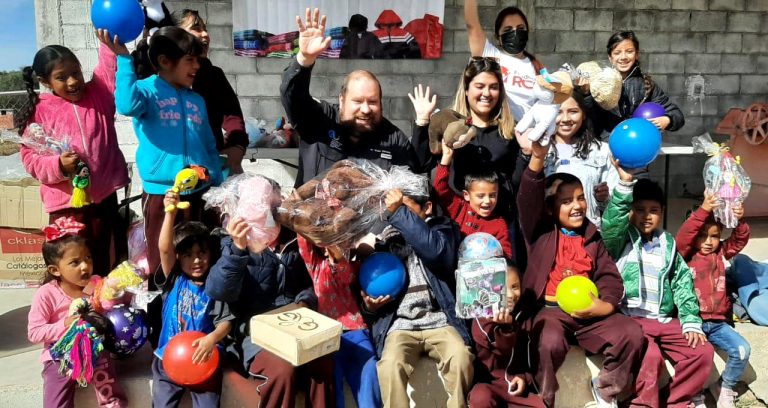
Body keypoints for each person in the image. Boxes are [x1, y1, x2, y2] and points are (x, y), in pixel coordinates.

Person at [516, 141, 644, 408]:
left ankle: (607, 389)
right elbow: (528, 198)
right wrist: (537, 159)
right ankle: (545, 398)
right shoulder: (540, 232)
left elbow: (609, 277)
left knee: (631, 332)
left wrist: (605, 305)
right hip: (551, 312)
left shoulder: (592, 236)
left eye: (580, 198)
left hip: (590, 314)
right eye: (566, 201)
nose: (576, 206)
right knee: (548, 341)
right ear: (550, 208)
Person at [108, 26, 223, 277]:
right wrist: (124, 59)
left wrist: (218, 182)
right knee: (163, 261)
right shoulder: (146, 92)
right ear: (165, 61)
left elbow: (209, 145)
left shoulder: (197, 101)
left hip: (199, 194)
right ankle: (163, 312)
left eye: (198, 60)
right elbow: (126, 104)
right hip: (163, 196)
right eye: (190, 60)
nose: (197, 66)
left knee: (199, 259)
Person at [18, 31, 130, 275]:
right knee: (70, 267)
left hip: (104, 200)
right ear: (45, 82)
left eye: (75, 73)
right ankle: (69, 310)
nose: (72, 81)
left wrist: (108, 43)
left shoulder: (98, 94)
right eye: (61, 77)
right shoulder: (40, 112)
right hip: (66, 207)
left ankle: (102, 309)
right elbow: (30, 159)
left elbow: (107, 68)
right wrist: (58, 165)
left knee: (105, 262)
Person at [601, 165, 714, 408]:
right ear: (630, 212)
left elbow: (683, 283)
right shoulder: (620, 240)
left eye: (653, 211)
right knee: (650, 357)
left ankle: (676, 401)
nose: (646, 216)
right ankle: (643, 404)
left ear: (662, 212)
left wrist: (691, 320)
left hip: (662, 320)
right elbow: (611, 224)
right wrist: (624, 185)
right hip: (631, 320)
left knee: (701, 352)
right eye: (639, 210)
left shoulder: (668, 244)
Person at [281, 8, 421, 186]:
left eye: (372, 102)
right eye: (357, 101)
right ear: (341, 100)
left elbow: (412, 182)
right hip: (314, 212)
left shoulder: (394, 139)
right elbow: (293, 97)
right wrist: (305, 59)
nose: (365, 109)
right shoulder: (319, 119)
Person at [205, 216, 335, 408]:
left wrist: (304, 303)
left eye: (271, 213)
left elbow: (308, 284)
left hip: (295, 325)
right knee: (282, 369)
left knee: (321, 359)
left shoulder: (293, 241)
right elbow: (218, 289)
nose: (265, 219)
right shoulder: (232, 243)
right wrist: (237, 250)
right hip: (255, 334)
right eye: (257, 214)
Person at [365, 189, 474, 408]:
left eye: (405, 208)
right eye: (395, 208)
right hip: (401, 325)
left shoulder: (444, 229)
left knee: (460, 357)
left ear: (427, 208)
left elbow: (435, 252)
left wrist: (399, 213)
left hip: (441, 321)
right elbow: (375, 282)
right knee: (389, 365)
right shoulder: (387, 238)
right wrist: (370, 306)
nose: (396, 214)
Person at [412, 58, 524, 265]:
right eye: (479, 86)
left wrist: (527, 153)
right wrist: (421, 122)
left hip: (498, 226)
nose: (486, 93)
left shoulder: (508, 130)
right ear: (466, 89)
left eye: (493, 87)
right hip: (455, 223)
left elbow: (517, 180)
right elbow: (421, 164)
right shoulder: (451, 127)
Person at [27, 217, 127, 408]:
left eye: (87, 258)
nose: (85, 266)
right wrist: (65, 324)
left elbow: (106, 308)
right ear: (55, 270)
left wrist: (111, 293)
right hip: (59, 356)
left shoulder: (95, 283)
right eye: (75, 262)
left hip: (95, 350)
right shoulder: (46, 294)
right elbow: (34, 332)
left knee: (108, 385)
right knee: (56, 399)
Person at [152, 192, 232, 407]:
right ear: (178, 258)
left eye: (202, 253)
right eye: (188, 255)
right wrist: (170, 213)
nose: (196, 260)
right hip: (167, 358)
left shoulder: (216, 284)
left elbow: (226, 321)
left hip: (205, 359)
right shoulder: (174, 279)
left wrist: (212, 339)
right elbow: (164, 248)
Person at [676, 193, 751, 408]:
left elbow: (739, 240)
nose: (708, 242)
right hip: (693, 323)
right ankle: (695, 395)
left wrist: (739, 220)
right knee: (700, 357)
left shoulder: (720, 253)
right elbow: (684, 236)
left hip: (718, 323)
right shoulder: (685, 254)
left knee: (742, 350)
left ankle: (724, 388)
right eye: (702, 236)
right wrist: (704, 209)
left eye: (714, 236)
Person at [297, 237, 381, 408]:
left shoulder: (354, 267)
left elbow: (347, 275)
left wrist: (334, 247)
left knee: (370, 367)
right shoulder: (317, 268)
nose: (327, 250)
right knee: (330, 381)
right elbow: (304, 245)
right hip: (329, 338)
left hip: (357, 333)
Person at [176, 8, 248, 174]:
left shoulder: (213, 75)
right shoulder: (161, 79)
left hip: (210, 170)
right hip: (171, 175)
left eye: (205, 29)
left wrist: (237, 146)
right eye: (196, 28)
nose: (205, 35)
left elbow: (232, 116)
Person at [467, 265, 545, 407]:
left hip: (515, 386)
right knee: (480, 398)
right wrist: (506, 328)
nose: (510, 295)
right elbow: (501, 349)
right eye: (501, 288)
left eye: (515, 287)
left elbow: (528, 356)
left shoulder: (525, 314)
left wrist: (524, 378)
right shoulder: (480, 318)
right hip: (488, 384)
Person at [584, 31, 684, 138]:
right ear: (610, 57)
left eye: (629, 51)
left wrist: (667, 119)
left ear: (637, 54)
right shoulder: (597, 83)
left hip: (636, 146)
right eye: (617, 53)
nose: (623, 57)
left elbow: (676, 114)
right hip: (604, 146)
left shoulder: (647, 85)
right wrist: (586, 94)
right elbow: (585, 115)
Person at [542, 93, 619, 229]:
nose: (565, 119)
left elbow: (616, 203)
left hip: (588, 235)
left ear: (583, 114)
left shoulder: (601, 151)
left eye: (573, 111)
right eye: (558, 112)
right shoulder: (538, 150)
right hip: (550, 233)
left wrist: (603, 198)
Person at [464, 0, 544, 126]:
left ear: (527, 31)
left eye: (520, 28)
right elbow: (471, 24)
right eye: (508, 30)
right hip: (496, 133)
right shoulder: (490, 55)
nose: (515, 33)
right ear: (498, 37)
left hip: (526, 136)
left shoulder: (536, 66)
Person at [434, 138, 512, 260]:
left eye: (492, 195)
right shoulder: (459, 208)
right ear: (466, 195)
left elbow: (505, 254)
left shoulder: (498, 224)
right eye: (480, 196)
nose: (487, 201)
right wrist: (446, 158)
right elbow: (440, 189)